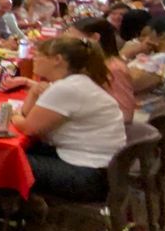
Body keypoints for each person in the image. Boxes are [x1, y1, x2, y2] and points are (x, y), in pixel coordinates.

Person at [10, 38, 126, 202]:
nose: (34, 58)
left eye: (38, 55)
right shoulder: (76, 83)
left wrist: (12, 115)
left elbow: (28, 127)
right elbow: (29, 118)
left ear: (57, 60)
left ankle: (5, 209)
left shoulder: (67, 88)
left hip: (88, 175)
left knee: (5, 161)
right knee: (21, 149)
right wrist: (34, 93)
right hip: (102, 167)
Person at [67, 17, 136, 123]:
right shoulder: (90, 63)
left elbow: (125, 114)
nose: (66, 43)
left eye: (72, 39)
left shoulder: (113, 69)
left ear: (94, 38)